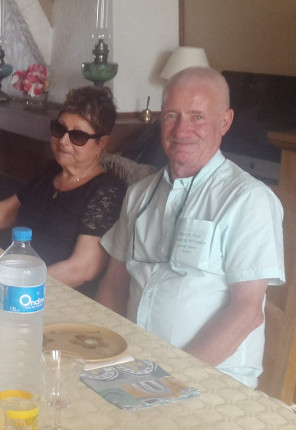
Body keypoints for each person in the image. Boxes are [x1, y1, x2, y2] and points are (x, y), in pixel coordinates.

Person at [96, 67, 285, 388]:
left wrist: (167, 381)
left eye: (197, 117)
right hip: (135, 366)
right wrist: (102, 355)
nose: (181, 130)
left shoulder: (248, 199)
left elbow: (247, 312)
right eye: (172, 115)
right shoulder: (140, 194)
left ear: (225, 121)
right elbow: (114, 285)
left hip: (212, 380)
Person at [0, 86, 126, 294]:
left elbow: (83, 268)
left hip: (49, 293)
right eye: (59, 129)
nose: (63, 141)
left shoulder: (107, 191)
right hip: (14, 276)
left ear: (101, 143)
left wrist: (19, 283)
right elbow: (3, 213)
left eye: (78, 136)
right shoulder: (51, 172)